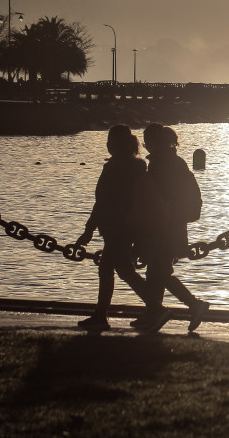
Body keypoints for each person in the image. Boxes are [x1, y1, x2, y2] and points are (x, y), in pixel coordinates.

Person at [75, 125, 171, 331]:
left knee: (120, 270)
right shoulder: (136, 166)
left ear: (113, 144)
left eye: (110, 142)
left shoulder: (115, 168)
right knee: (114, 269)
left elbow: (102, 202)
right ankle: (103, 314)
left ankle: (154, 307)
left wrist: (89, 230)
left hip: (116, 227)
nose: (108, 145)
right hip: (129, 227)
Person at [135, 123, 210, 333]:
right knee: (157, 271)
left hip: (164, 227)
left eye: (147, 140)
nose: (146, 144)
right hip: (174, 225)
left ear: (155, 142)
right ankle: (153, 312)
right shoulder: (175, 161)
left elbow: (159, 200)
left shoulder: (161, 164)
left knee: (159, 272)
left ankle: (193, 304)